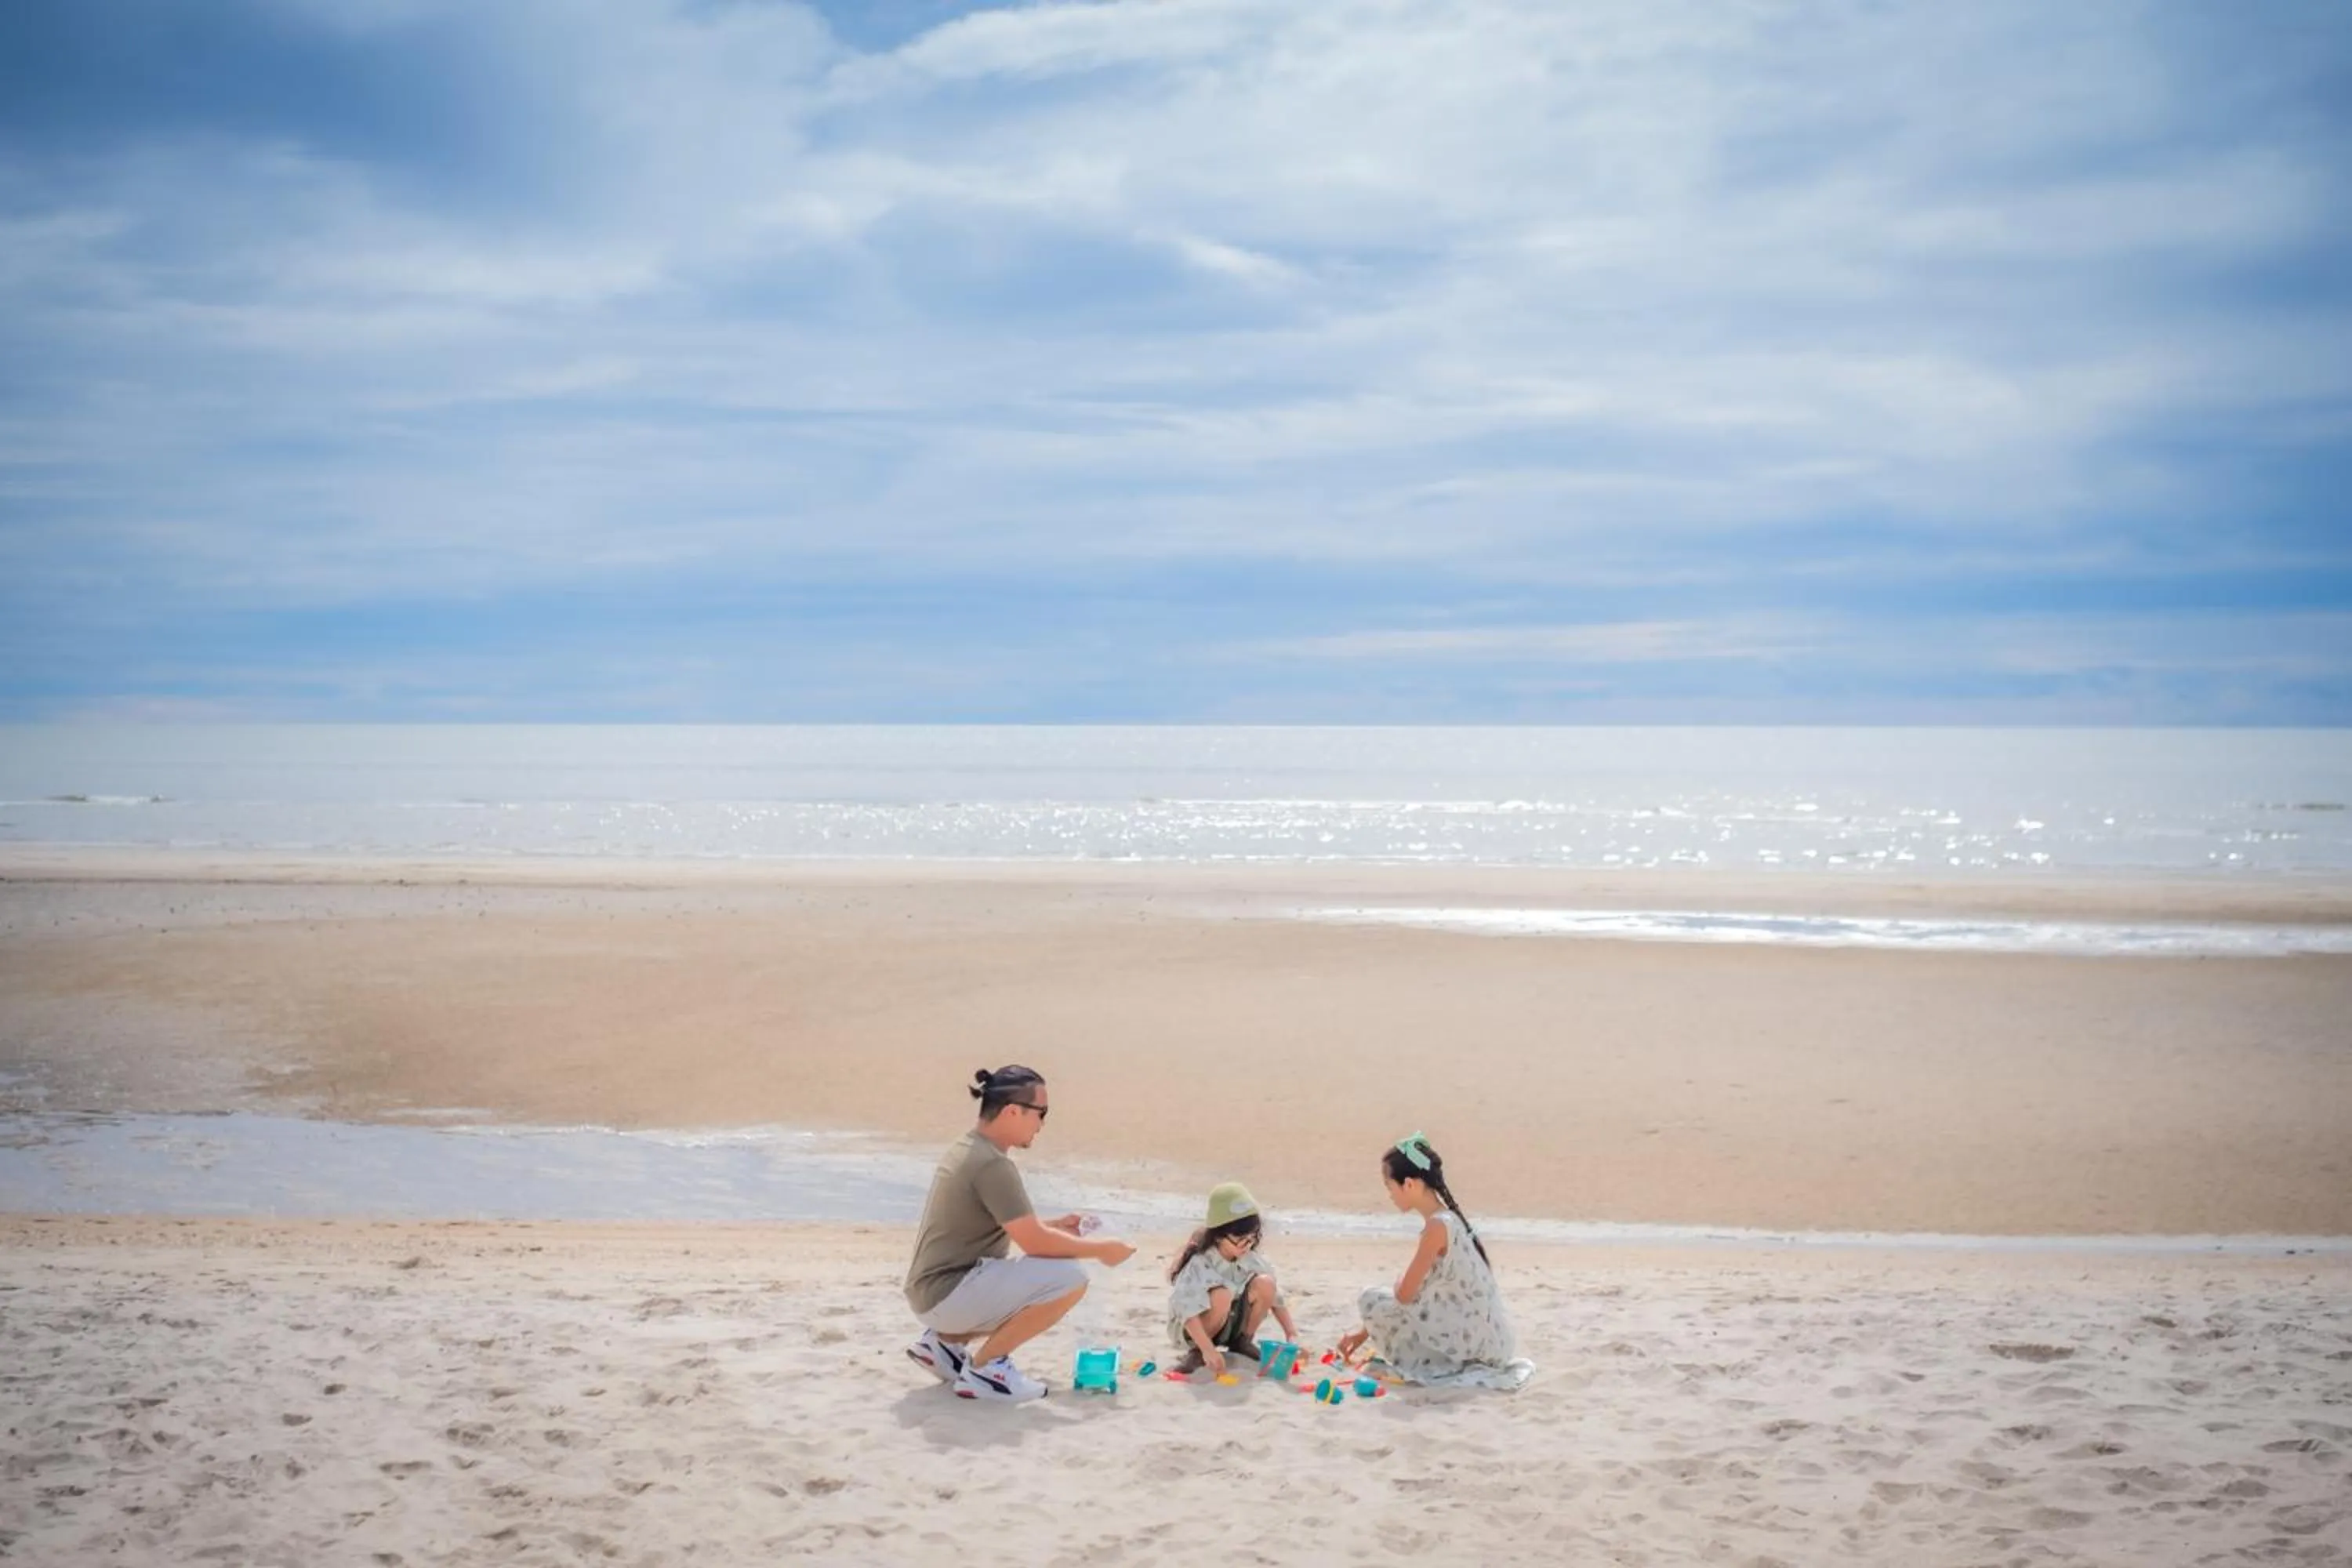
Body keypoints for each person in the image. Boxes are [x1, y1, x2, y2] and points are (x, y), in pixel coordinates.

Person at [903, 1064, 1136, 1403]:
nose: (1042, 1124)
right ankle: (986, 1370)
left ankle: (943, 1346)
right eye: (1042, 1113)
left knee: (1044, 1269)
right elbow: (1034, 1243)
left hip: (932, 1291)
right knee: (1069, 1278)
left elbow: (1007, 1225)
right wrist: (1103, 1249)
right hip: (947, 1294)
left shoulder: (970, 1148)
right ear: (1013, 1111)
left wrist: (1055, 1226)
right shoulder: (993, 1165)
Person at [1335, 1132, 1529, 1389]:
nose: (1390, 1195)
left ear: (1410, 1185)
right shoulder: (1450, 1220)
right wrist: (1363, 1333)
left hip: (1478, 1348)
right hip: (1493, 1342)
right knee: (1397, 1302)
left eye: (1389, 1187)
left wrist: (1397, 1283)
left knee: (1370, 1297)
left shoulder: (1437, 1228)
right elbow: (1421, 1298)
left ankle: (1439, 1363)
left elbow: (1404, 1296)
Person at [1166, 1181, 1298, 1377]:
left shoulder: (1250, 1258)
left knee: (1266, 1283)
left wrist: (1291, 1334)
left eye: (1252, 1238)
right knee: (1221, 1295)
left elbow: (1275, 1299)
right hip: (1196, 1330)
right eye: (1240, 1240)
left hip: (1231, 1322)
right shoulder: (1202, 1262)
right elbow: (1186, 1310)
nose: (1247, 1245)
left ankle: (1242, 1341)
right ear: (1219, 1236)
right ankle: (1197, 1353)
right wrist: (1208, 1350)